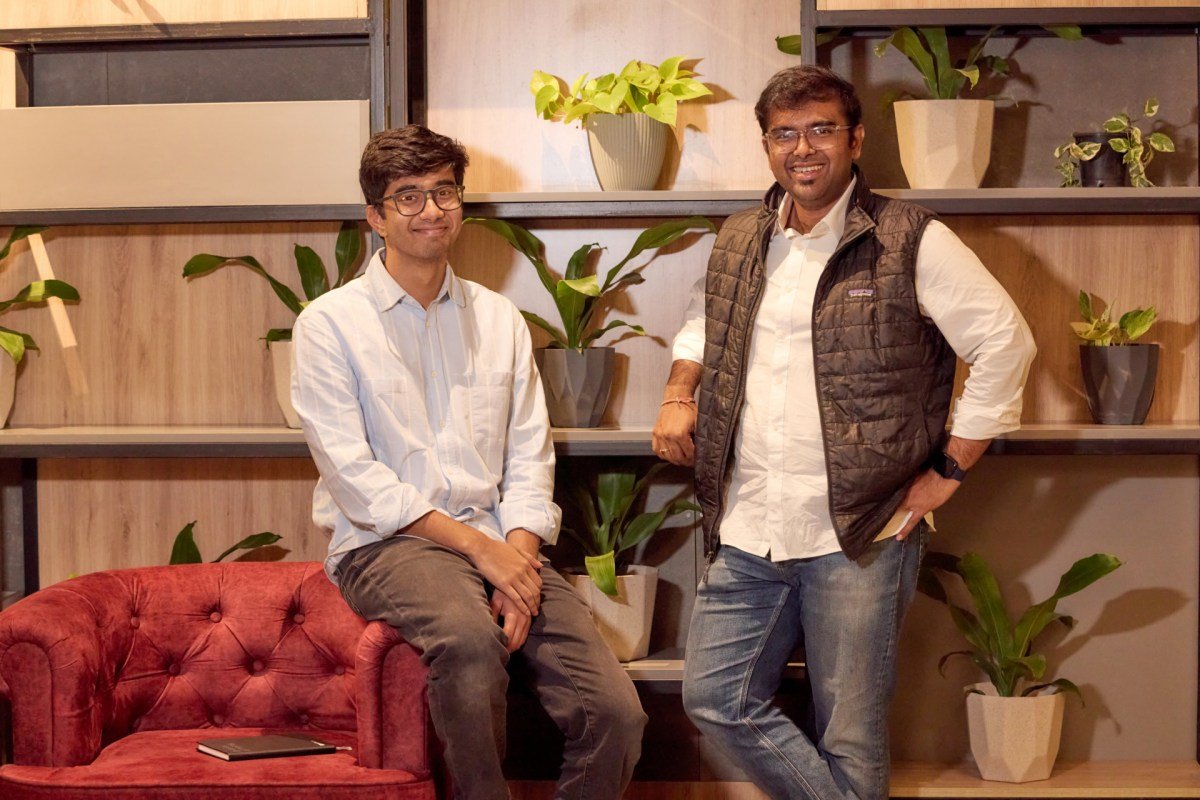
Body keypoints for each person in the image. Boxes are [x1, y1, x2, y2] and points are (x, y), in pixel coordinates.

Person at [652, 66, 1036, 800]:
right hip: (749, 522)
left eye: (821, 130)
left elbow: (1004, 343)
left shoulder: (910, 237)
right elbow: (705, 320)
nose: (803, 148)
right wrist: (679, 392)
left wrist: (949, 470)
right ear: (767, 146)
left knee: (851, 734)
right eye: (785, 134)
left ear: (855, 140)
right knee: (716, 698)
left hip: (862, 528)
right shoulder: (740, 237)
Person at [291, 124, 646, 800]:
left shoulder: (500, 318)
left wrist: (517, 561)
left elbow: (529, 453)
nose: (431, 209)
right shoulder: (329, 325)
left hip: (501, 540)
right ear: (376, 217)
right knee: (469, 642)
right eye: (408, 196)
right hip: (387, 544)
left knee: (615, 713)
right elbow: (357, 480)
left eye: (444, 191)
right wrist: (485, 555)